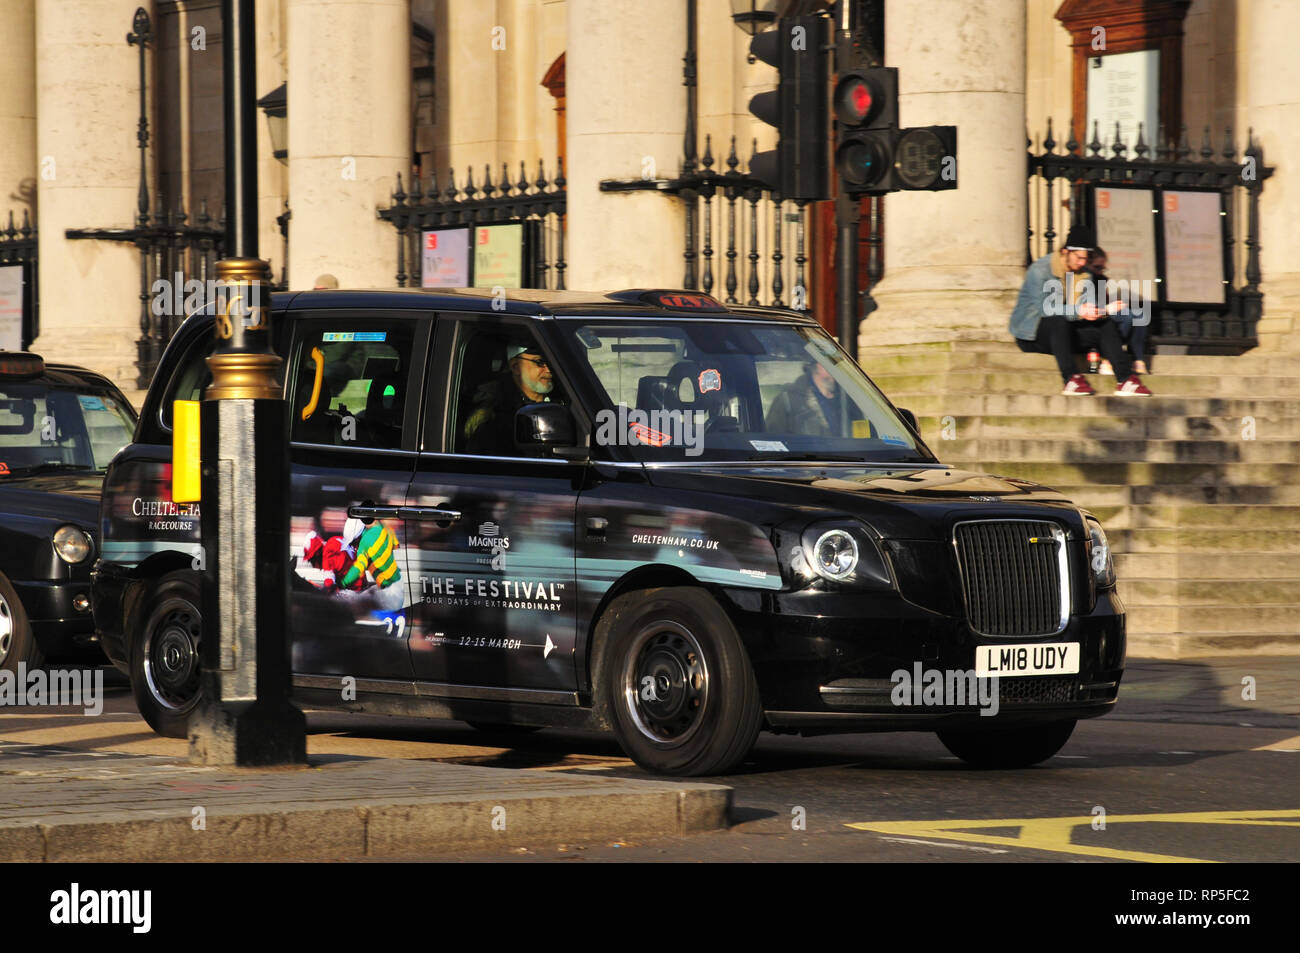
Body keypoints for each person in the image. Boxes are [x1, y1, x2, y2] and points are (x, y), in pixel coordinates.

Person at [1009, 225, 1151, 396]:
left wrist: (1103, 311)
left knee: (1105, 324)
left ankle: (1125, 379)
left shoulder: (1085, 275)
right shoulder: (1040, 270)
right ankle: (1071, 379)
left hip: (1068, 334)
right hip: (1032, 335)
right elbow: (1045, 309)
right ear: (1065, 251)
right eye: (1079, 258)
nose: (1082, 263)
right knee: (1057, 319)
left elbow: (1087, 309)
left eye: (1086, 259)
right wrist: (1080, 311)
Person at [463, 342, 560, 453]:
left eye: (551, 362)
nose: (549, 370)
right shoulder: (493, 417)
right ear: (515, 367)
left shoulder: (567, 398)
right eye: (540, 362)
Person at [1088, 247, 1148, 376]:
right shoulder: (1084, 279)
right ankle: (1108, 356)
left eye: (1102, 268)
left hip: (1104, 310)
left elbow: (1105, 301)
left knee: (1140, 315)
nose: (1099, 271)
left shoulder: (1100, 280)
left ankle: (1138, 360)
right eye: (1097, 267)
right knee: (1125, 316)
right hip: (1092, 316)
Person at [767, 362, 841, 435]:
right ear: (820, 366)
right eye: (835, 364)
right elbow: (772, 440)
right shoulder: (787, 401)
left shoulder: (846, 398)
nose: (839, 369)